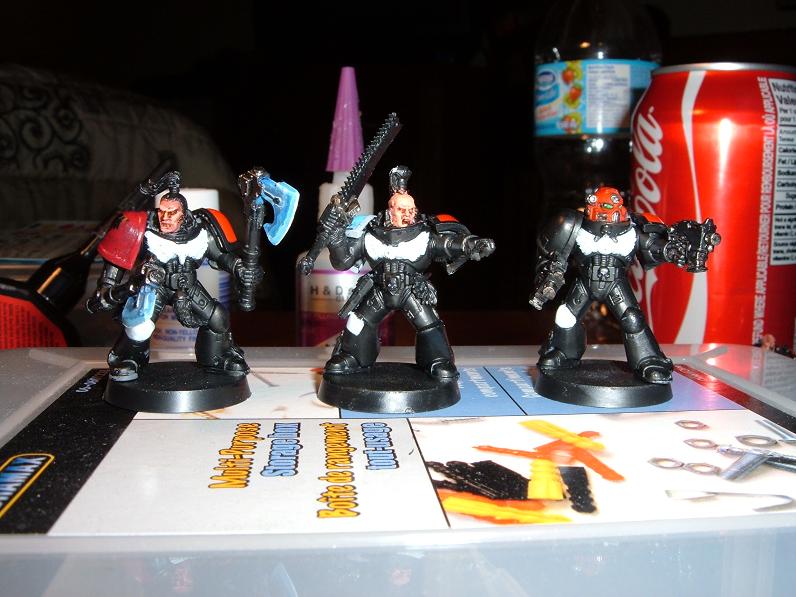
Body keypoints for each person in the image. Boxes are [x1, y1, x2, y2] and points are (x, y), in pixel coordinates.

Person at [530, 186, 719, 384]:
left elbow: (655, 247)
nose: (604, 216)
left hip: (616, 283)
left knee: (632, 319)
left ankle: (648, 360)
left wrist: (674, 250)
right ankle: (563, 353)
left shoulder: (633, 230)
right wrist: (549, 278)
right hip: (585, 281)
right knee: (565, 316)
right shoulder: (575, 226)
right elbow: (553, 255)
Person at [322, 165, 494, 380]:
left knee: (429, 325)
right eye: (402, 210)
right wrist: (336, 238)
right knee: (358, 322)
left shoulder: (424, 234)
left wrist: (471, 244)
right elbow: (343, 261)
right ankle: (352, 356)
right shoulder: (370, 233)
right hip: (379, 289)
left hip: (411, 289)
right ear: (390, 210)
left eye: (411, 210)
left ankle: (437, 360)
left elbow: (448, 244)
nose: (407, 214)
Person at [88, 173, 260, 381]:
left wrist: (240, 269)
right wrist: (107, 287)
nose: (165, 218)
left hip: (188, 284)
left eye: (172, 212)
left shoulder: (201, 230)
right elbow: (117, 260)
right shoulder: (146, 228)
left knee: (217, 317)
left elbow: (222, 256)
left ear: (183, 214)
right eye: (162, 212)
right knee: (139, 327)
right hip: (154, 285)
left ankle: (216, 357)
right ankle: (129, 358)